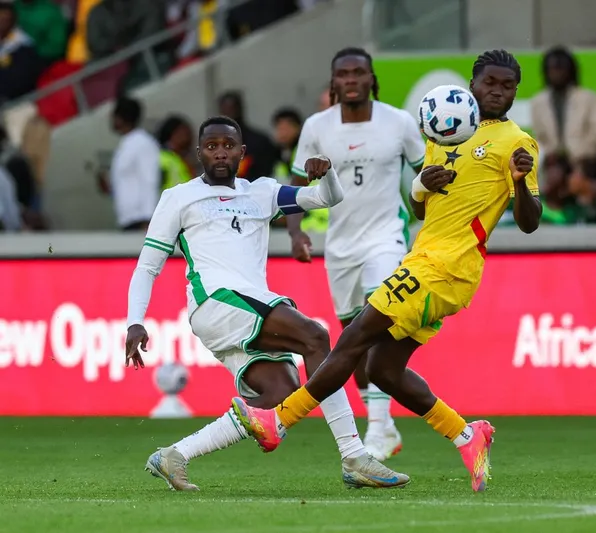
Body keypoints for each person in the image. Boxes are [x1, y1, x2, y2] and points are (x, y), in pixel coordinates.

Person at [230, 49, 542, 493]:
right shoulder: (444, 125)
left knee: (353, 338)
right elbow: (418, 204)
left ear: (515, 90)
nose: (496, 91)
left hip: (446, 266)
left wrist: (517, 183)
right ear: (471, 86)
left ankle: (279, 420)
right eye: (489, 82)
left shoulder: (518, 143)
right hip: (426, 258)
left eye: (506, 85)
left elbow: (530, 222)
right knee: (383, 369)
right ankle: (467, 434)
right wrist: (422, 184)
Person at [125, 116, 407, 492]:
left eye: (228, 145)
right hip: (217, 302)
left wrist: (326, 173)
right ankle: (354, 455)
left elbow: (327, 198)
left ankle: (175, 454)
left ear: (243, 152)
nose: (220, 152)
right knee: (316, 337)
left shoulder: (262, 193)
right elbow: (148, 265)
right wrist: (134, 321)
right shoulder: (178, 198)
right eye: (212, 146)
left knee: (280, 395)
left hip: (245, 304)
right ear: (199, 153)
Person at [285, 47, 426, 461]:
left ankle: (379, 429)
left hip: (386, 236)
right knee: (353, 337)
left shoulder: (398, 122)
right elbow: (295, 185)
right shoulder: (316, 126)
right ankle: (386, 428)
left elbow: (424, 175)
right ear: (333, 82)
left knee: (374, 323)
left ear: (370, 78)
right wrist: (295, 234)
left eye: (358, 73)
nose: (350, 79)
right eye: (342, 74)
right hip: (340, 245)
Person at [529, 46, 596, 165]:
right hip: (552, 165)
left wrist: (578, 155)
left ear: (571, 70)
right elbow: (539, 137)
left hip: (586, 162)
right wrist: (549, 156)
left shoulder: (589, 98)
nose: (557, 73)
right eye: (553, 69)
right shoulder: (538, 102)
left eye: (561, 68)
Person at [107, 97, 162, 231]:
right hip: (127, 218)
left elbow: (150, 180)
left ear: (120, 118)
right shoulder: (126, 144)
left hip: (141, 218)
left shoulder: (143, 143)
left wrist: (148, 219)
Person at [217, 91, 280, 181]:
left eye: (232, 109)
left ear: (240, 109)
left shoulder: (260, 142)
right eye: (225, 110)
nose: (229, 114)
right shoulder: (215, 146)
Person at [156, 115, 195, 190]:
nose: (190, 138)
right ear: (174, 134)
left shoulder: (181, 158)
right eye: (186, 134)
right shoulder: (163, 158)